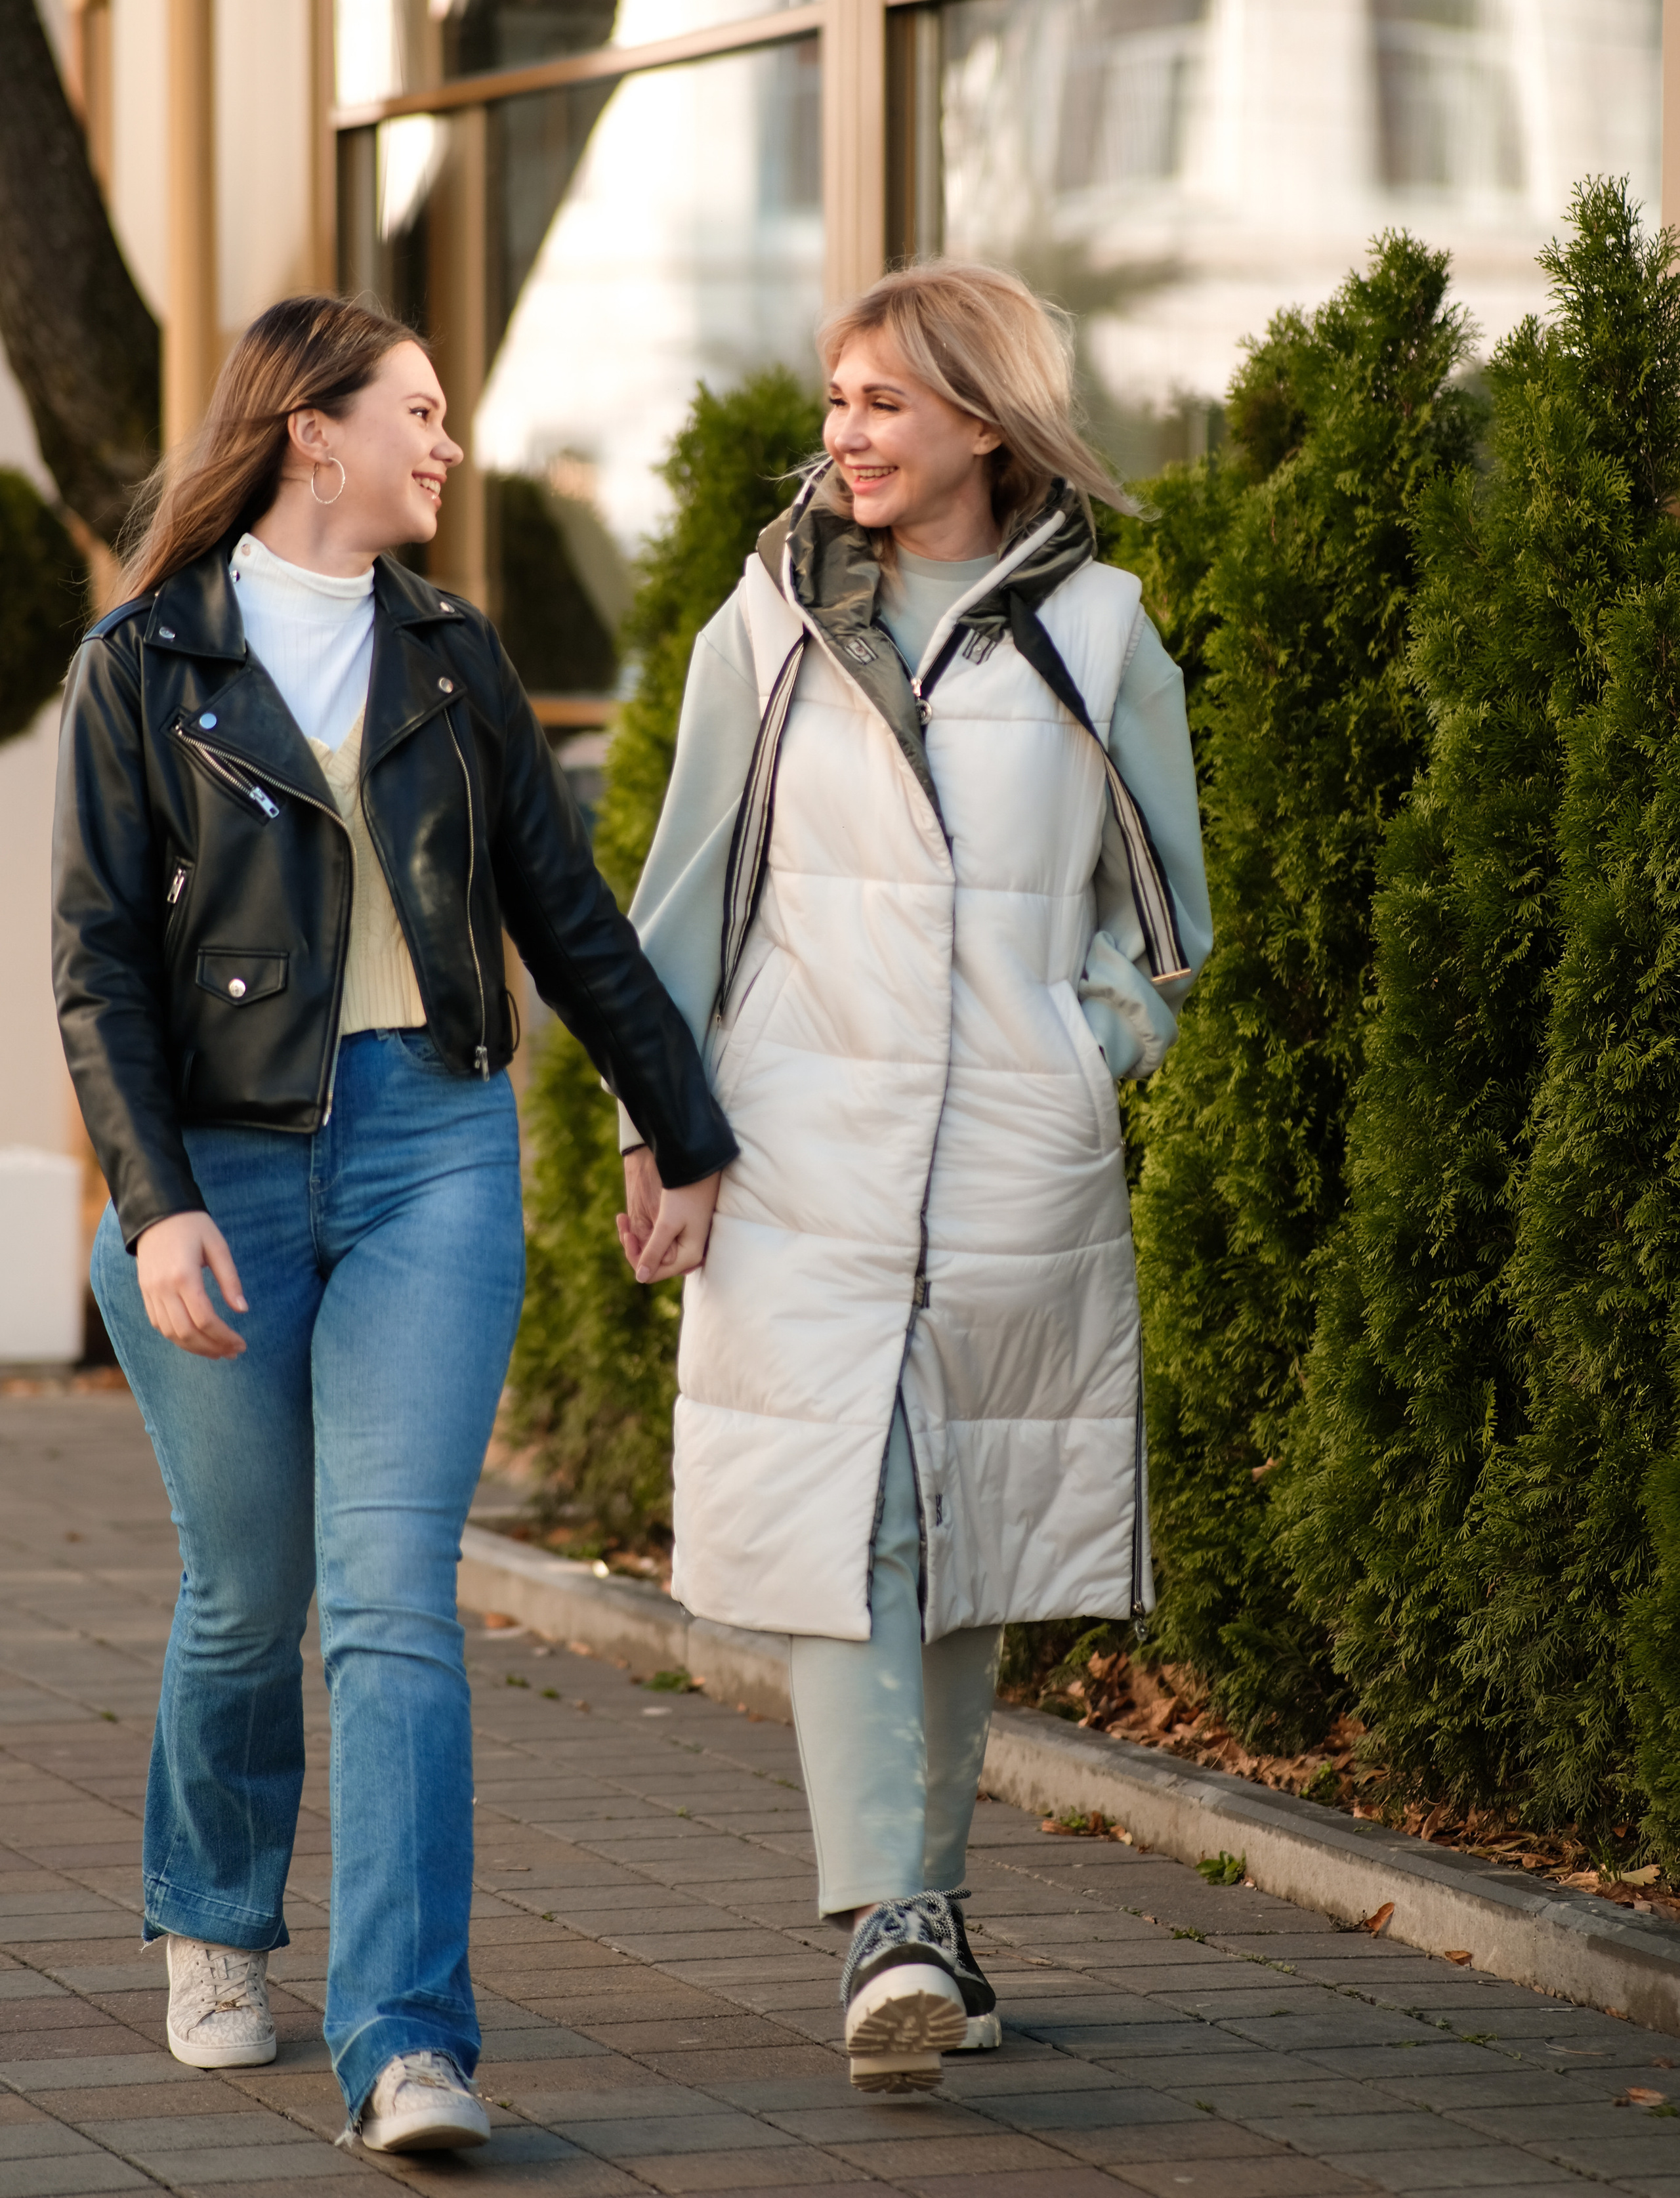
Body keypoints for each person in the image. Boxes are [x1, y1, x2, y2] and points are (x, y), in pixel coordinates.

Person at [52, 296, 733, 2153]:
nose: (445, 444)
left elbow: (568, 916)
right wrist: (157, 1205)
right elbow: (98, 967)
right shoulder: (148, 663)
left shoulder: (452, 655)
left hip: (435, 1148)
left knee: (389, 1604)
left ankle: (410, 2043)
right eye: (416, 412)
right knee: (248, 1596)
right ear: (308, 433)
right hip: (220, 1165)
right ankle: (210, 1914)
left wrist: (684, 1131)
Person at [616, 260, 1211, 2092]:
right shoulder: (767, 628)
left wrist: (1069, 1057)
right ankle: (890, 1912)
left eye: (881, 400)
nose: (845, 434)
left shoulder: (1101, 634)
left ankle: (927, 1916)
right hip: (800, 1150)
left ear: (981, 414)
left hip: (1011, 1162)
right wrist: (668, 1130)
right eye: (835, 402)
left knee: (965, 1536)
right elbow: (684, 898)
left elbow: (1165, 924)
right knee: (855, 1518)